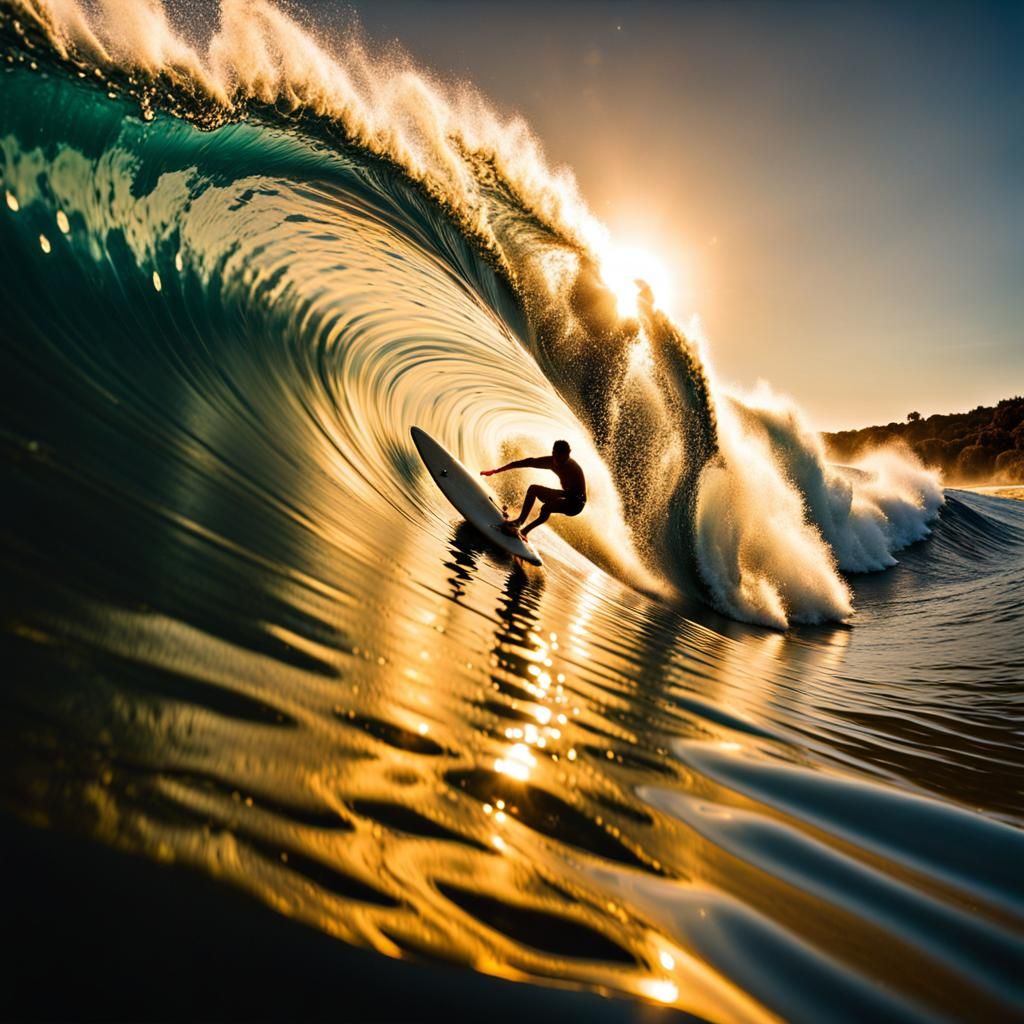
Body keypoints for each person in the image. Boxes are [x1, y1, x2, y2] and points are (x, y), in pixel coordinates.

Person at [481, 440, 587, 537]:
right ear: (553, 453)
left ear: (569, 454)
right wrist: (495, 471)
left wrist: (555, 496)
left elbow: (575, 495)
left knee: (546, 507)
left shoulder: (574, 469)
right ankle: (519, 522)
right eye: (559, 459)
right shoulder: (550, 461)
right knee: (533, 489)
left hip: (576, 504)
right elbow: (526, 462)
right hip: (565, 496)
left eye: (564, 459)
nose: (561, 463)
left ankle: (524, 532)